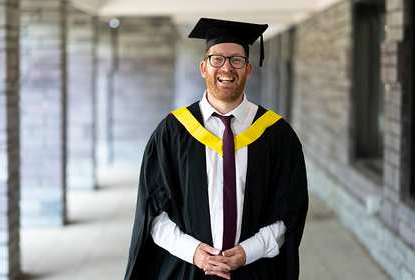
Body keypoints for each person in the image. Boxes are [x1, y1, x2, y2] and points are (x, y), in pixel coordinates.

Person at [124, 18, 308, 280]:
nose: (227, 68)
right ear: (203, 67)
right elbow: (152, 212)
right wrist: (196, 252)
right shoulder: (172, 132)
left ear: (248, 69)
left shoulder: (277, 135)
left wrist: (247, 251)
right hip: (186, 270)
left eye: (237, 60)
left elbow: (290, 212)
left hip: (255, 271)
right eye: (217, 59)